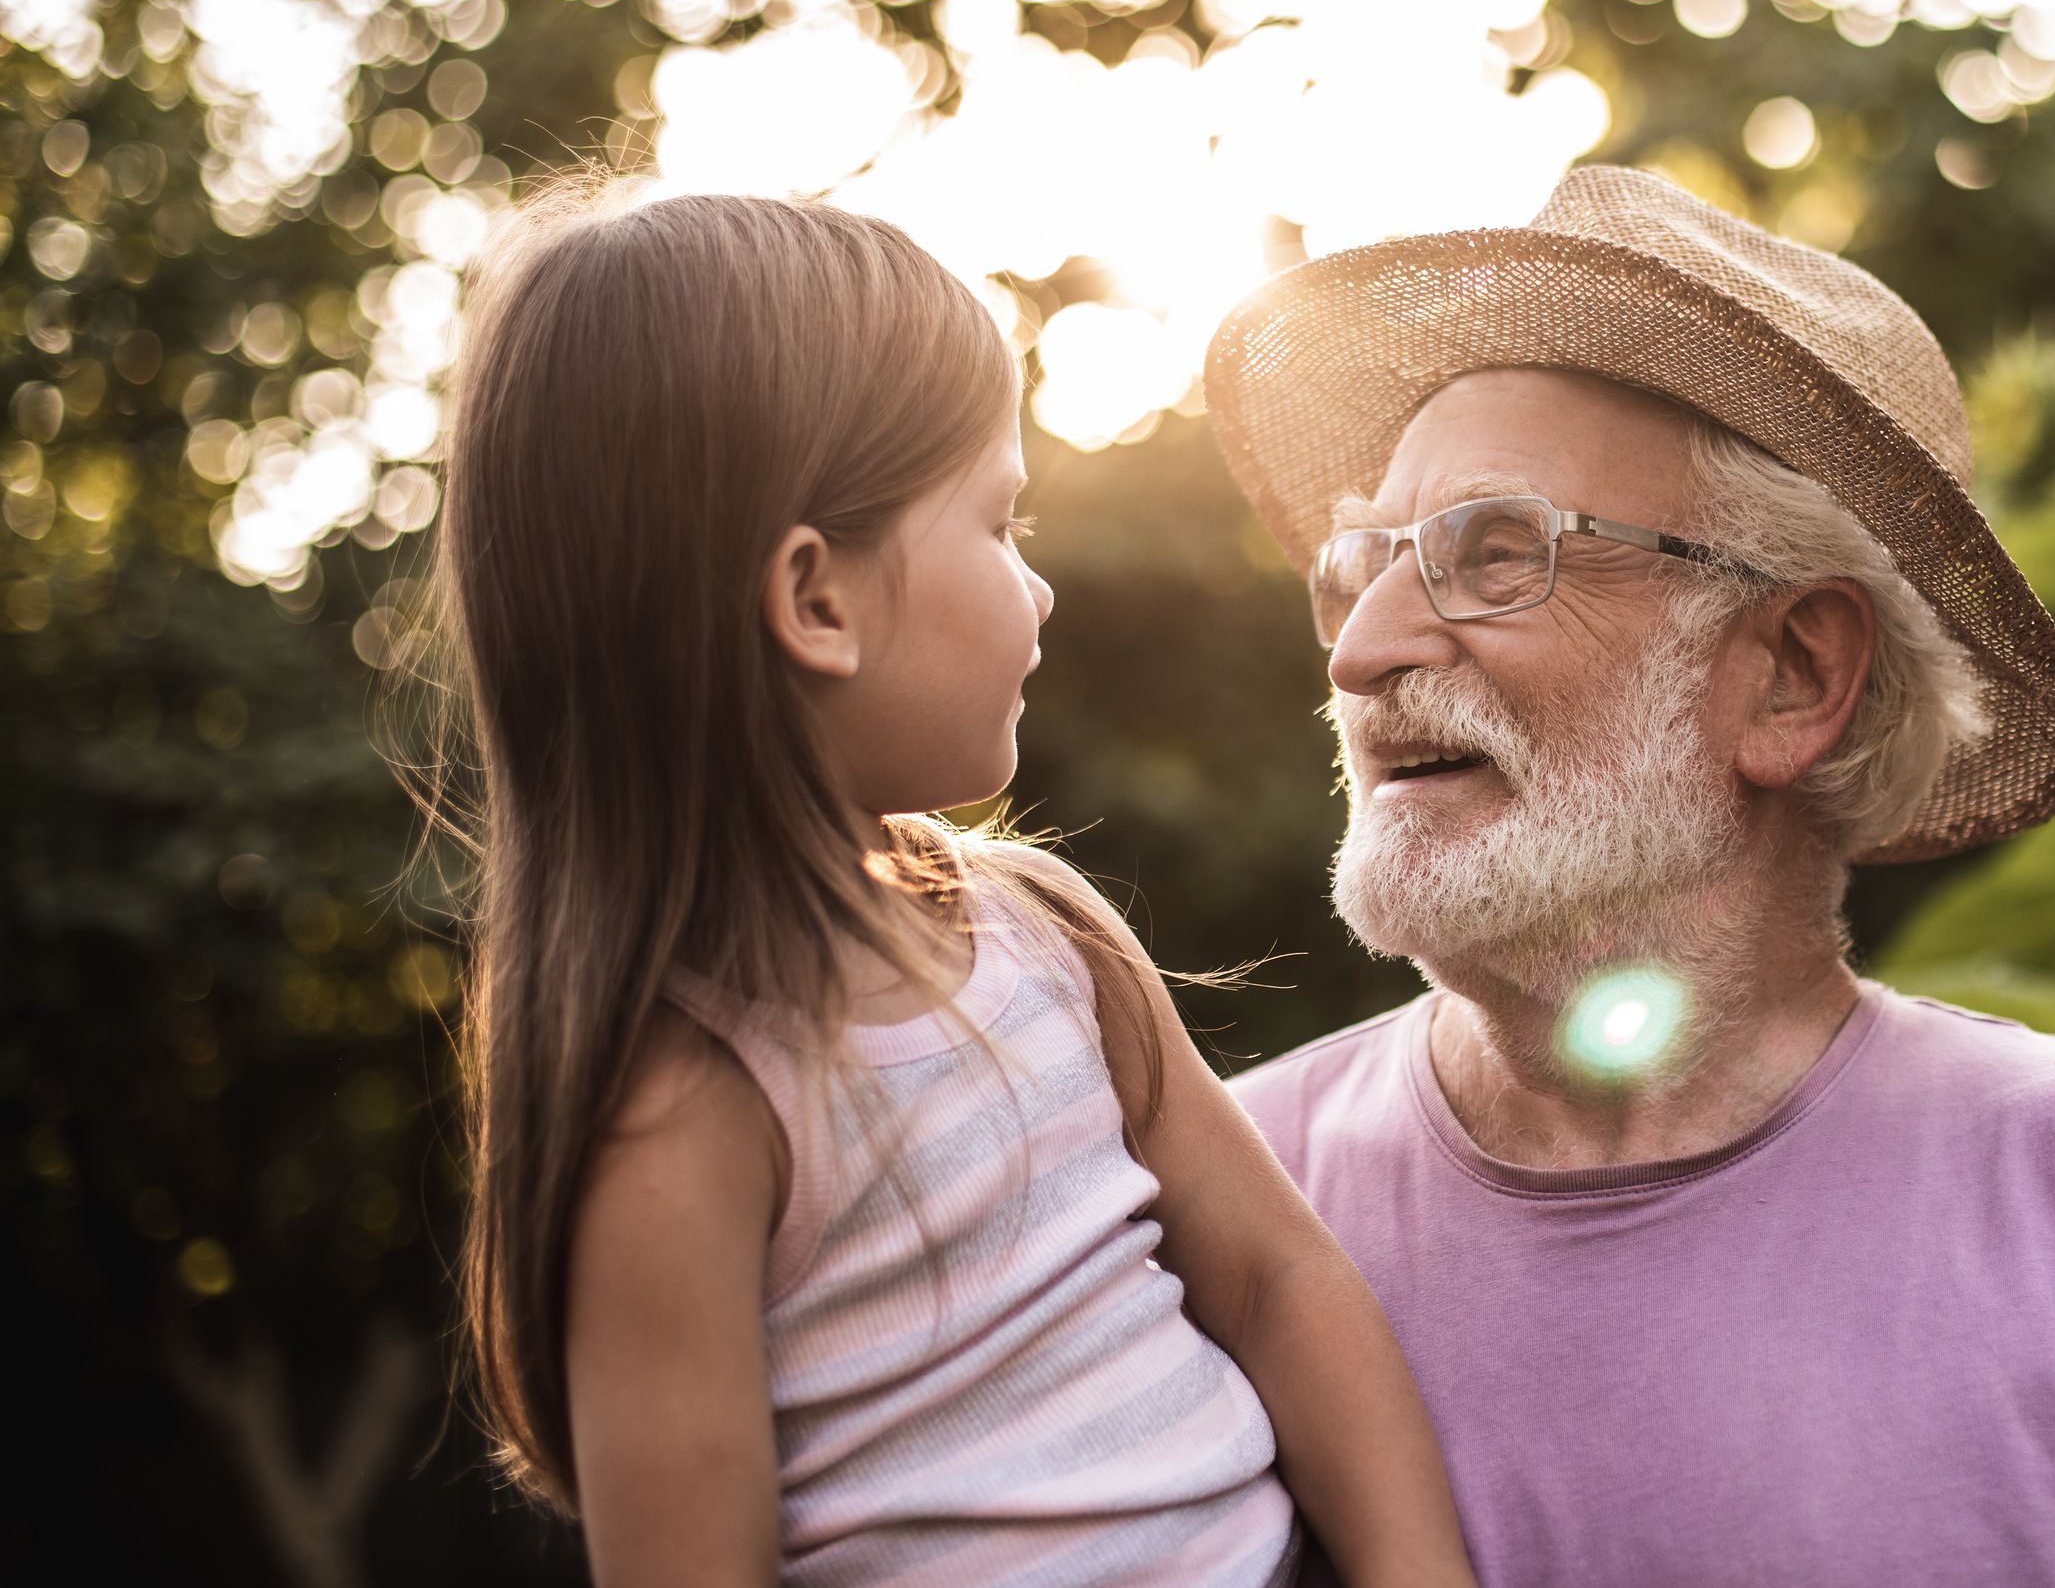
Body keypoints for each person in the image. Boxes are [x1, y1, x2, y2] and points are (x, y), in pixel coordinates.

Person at [1201, 165, 2055, 1587]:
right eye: (1359, 560)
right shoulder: (1208, 1207)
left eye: (1494, 552)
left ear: (1796, 676)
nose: (1359, 648)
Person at [428, 185, 1474, 1588]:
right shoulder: (683, 1119)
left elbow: (1278, 1279)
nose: (1037, 590)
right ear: (817, 603)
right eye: (1001, 523)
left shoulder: (1043, 941)